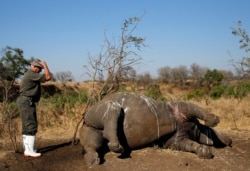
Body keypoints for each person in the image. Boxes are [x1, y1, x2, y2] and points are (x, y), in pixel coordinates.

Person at [17, 59, 51, 157]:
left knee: (26, 126)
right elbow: (48, 77)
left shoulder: (30, 74)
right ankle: (29, 151)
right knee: (31, 125)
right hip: (26, 101)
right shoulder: (31, 74)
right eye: (39, 69)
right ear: (35, 67)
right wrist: (45, 65)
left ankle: (28, 150)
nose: (40, 71)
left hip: (25, 101)